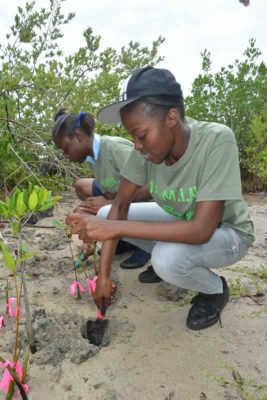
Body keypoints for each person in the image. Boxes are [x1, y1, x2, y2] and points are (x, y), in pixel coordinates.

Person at [66, 66, 255, 330]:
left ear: (172, 117)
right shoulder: (144, 151)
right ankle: (173, 261)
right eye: (133, 136)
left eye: (141, 135)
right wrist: (103, 276)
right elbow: (119, 205)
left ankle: (215, 290)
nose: (137, 145)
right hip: (180, 218)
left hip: (228, 233)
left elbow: (201, 229)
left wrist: (114, 227)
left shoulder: (216, 140)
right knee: (105, 214)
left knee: (167, 259)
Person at [52, 109, 161, 278]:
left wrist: (110, 205)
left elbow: (151, 185)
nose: (65, 156)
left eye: (66, 149)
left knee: (103, 210)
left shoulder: (114, 148)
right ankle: (123, 239)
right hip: (122, 197)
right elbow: (111, 185)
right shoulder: (91, 156)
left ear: (79, 136)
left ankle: (145, 246)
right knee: (83, 190)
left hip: (149, 201)